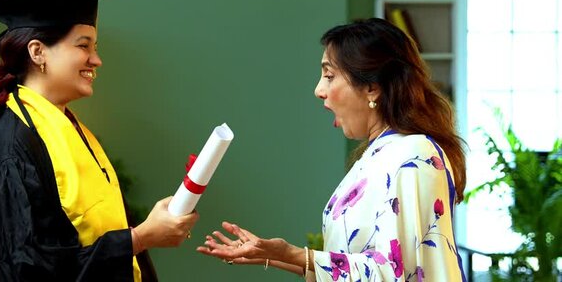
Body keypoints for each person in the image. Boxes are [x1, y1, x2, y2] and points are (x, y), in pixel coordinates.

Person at [198, 18, 467, 281]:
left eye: (329, 75)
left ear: (373, 87)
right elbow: (359, 262)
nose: (319, 90)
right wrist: (273, 255)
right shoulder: (379, 154)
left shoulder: (414, 154)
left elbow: (392, 273)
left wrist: (294, 254)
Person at [0, 0, 198, 282]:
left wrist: (148, 232)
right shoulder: (15, 144)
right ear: (37, 52)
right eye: (83, 45)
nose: (96, 59)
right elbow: (31, 269)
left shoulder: (67, 126)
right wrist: (139, 238)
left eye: (95, 47)